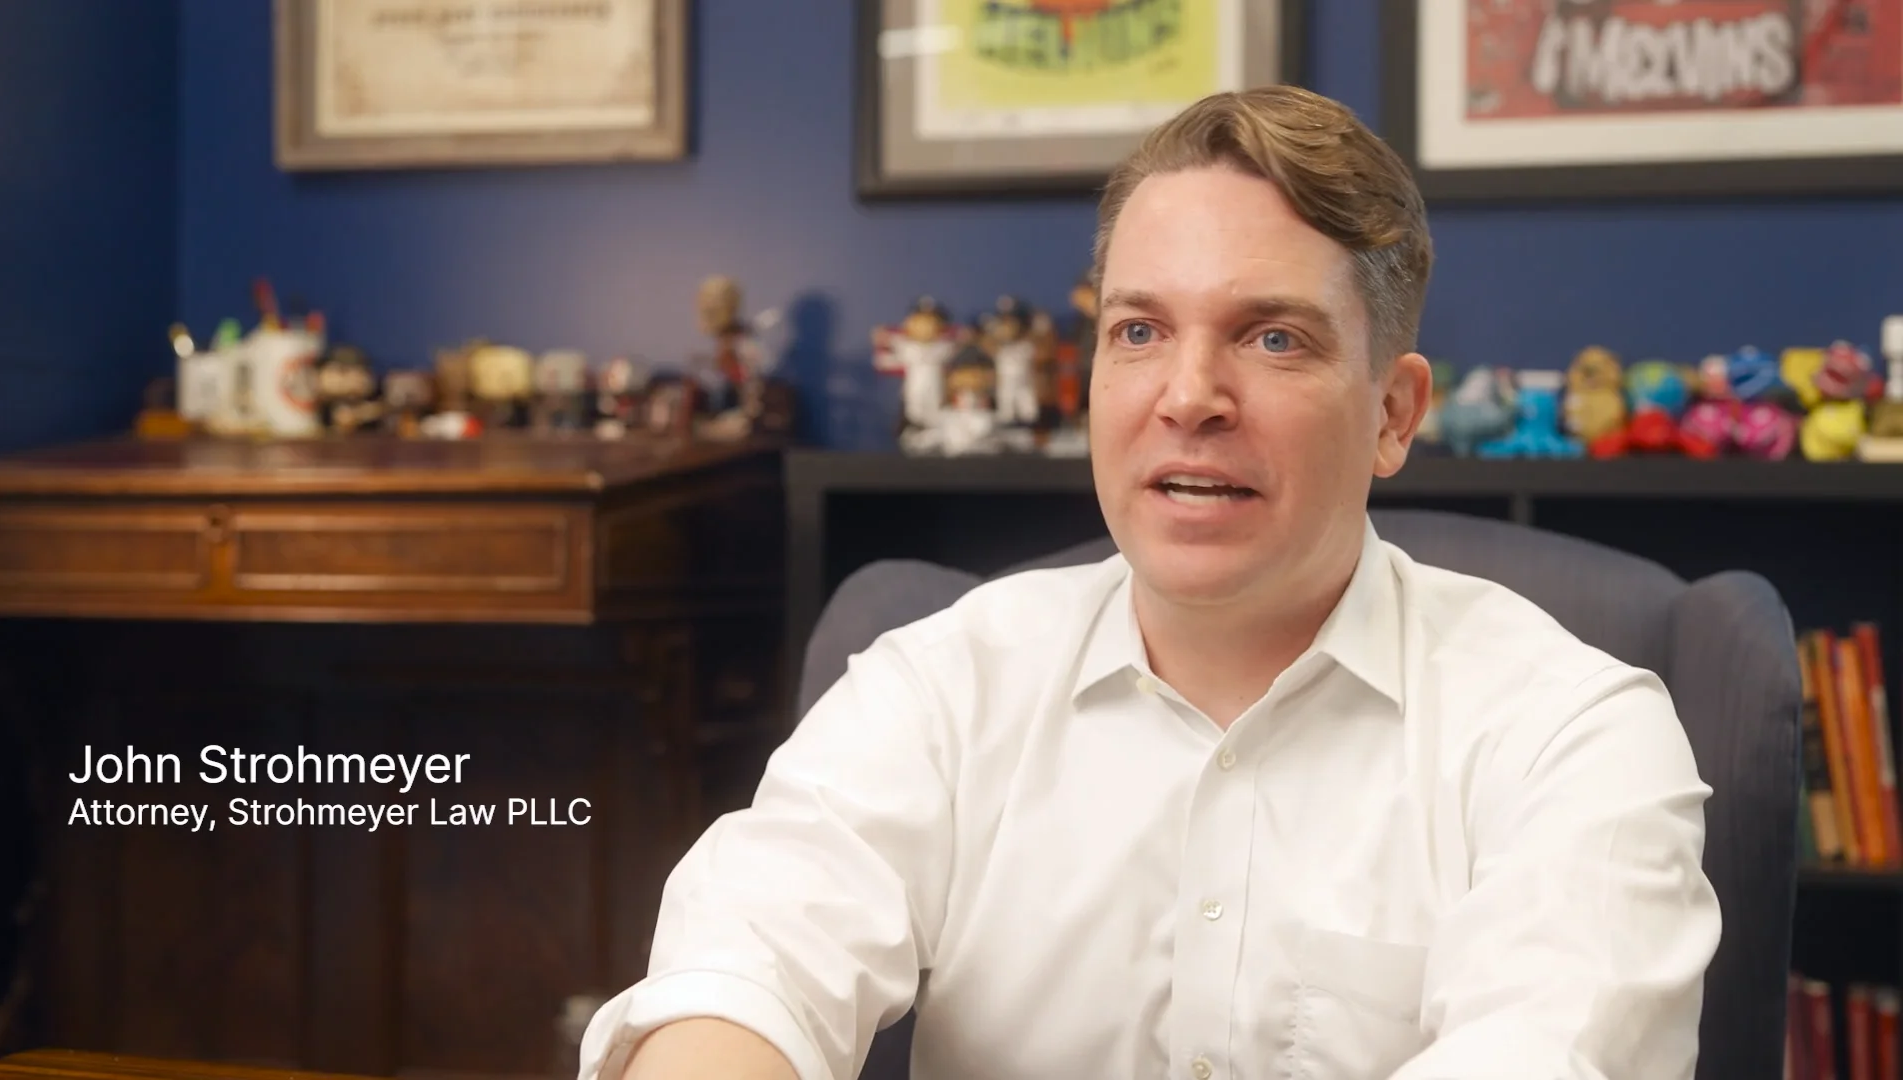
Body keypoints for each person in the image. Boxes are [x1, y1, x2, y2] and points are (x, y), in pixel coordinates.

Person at [580, 85, 1721, 1080]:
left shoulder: (1571, 734)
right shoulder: (940, 688)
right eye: (1140, 331)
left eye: (1273, 339)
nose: (1187, 397)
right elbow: (744, 966)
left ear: (1392, 413)